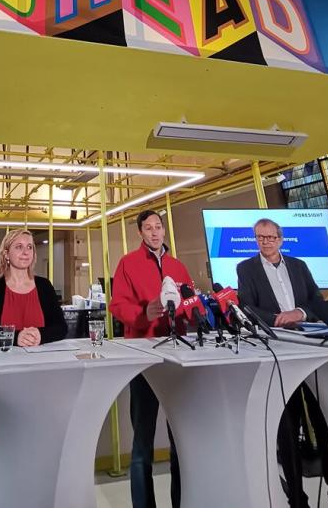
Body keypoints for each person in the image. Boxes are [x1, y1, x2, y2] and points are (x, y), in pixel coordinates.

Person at [237, 218, 328, 508]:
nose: (265, 242)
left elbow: (317, 300)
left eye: (269, 237)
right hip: (277, 350)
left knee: (322, 419)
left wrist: (300, 314)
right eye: (259, 238)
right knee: (287, 426)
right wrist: (278, 319)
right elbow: (247, 306)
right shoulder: (246, 268)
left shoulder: (299, 265)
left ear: (280, 239)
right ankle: (296, 497)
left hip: (310, 346)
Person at [109, 209, 193, 508]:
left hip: (178, 355)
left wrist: (191, 309)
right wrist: (143, 314)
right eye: (149, 228)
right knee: (142, 441)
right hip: (144, 356)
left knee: (180, 440)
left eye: (159, 227)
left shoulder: (177, 266)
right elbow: (117, 304)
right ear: (140, 233)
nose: (155, 232)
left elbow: (190, 302)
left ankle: (181, 501)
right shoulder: (127, 264)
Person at [0, 228, 67, 468]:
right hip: (0, 383)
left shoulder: (43, 286)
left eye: (30, 247)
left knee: (37, 457)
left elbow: (61, 327)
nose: (26, 251)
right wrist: (16, 337)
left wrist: (39, 334)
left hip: (39, 384)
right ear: (6, 253)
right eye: (19, 247)